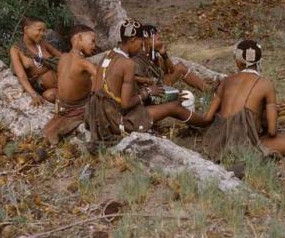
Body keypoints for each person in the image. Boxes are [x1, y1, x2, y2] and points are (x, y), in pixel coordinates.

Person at [84, 18, 208, 150]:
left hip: (97, 119)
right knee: (174, 106)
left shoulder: (108, 56)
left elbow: (105, 90)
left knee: (163, 100)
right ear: (132, 40)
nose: (141, 46)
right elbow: (126, 104)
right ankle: (206, 123)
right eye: (140, 42)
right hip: (115, 122)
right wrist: (147, 92)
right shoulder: (128, 64)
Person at [202, 40, 285, 162]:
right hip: (246, 145)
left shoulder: (226, 81)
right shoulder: (266, 85)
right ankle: (248, 159)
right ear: (259, 62)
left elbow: (208, 118)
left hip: (218, 143)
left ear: (237, 62)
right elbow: (272, 131)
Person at [42, 25, 98, 146]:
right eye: (92, 41)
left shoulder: (63, 57)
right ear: (79, 37)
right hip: (77, 108)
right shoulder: (84, 63)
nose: (94, 45)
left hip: (62, 107)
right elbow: (102, 78)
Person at [133, 24, 218, 93]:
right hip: (149, 89)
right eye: (157, 37)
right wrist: (150, 82)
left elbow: (171, 70)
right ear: (147, 39)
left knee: (180, 68)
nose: (160, 38)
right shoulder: (139, 54)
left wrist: (164, 54)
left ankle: (206, 89)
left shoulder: (153, 54)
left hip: (156, 84)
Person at [10, 16, 62, 106]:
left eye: (43, 31)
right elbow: (21, 75)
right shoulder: (16, 50)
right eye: (39, 30)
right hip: (52, 90)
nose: (42, 33)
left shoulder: (44, 44)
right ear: (26, 29)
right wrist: (34, 95)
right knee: (49, 96)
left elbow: (63, 58)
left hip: (65, 81)